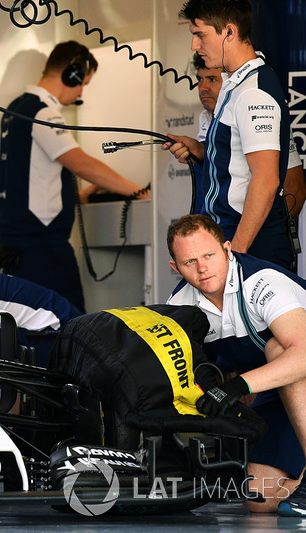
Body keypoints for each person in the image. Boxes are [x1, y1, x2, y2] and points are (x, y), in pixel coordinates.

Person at [0, 40, 149, 313]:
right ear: (72, 73)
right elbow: (81, 164)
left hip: (19, 243)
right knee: (70, 321)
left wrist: (78, 195)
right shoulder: (42, 112)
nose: (81, 92)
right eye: (83, 82)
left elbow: (30, 177)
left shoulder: (16, 108)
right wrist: (137, 192)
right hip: (42, 245)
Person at [166, 214, 306, 515]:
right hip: (281, 397)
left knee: (279, 347)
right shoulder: (178, 306)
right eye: (190, 262)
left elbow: (303, 354)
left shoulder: (261, 282)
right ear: (175, 268)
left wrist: (238, 385)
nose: (203, 268)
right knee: (260, 499)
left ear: (227, 249)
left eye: (209, 255)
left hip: (299, 374)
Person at [164, 0, 295, 271]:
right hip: (227, 240)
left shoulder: (252, 90)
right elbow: (238, 162)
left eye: (200, 35)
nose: (194, 46)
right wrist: (201, 151)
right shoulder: (233, 84)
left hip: (252, 250)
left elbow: (266, 179)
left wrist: (237, 253)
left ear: (229, 32)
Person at [191, 52, 306, 221]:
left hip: (250, 237)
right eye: (199, 79)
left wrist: (267, 237)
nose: (203, 88)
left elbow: (295, 188)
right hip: (216, 232)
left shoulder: (255, 108)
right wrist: (199, 151)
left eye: (212, 79)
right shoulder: (207, 118)